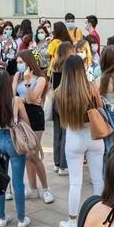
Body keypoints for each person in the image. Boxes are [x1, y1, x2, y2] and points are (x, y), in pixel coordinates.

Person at [56, 55, 106, 227]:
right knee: (97, 178)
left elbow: (60, 115)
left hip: (73, 135)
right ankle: (99, 217)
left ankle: (72, 220)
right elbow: (100, 107)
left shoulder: (60, 91)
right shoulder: (91, 87)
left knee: (75, 182)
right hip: (94, 134)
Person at [0, 71, 32, 227]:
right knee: (18, 182)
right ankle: (21, 219)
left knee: (1, 180)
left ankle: (1, 217)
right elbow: (26, 120)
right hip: (13, 141)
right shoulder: (16, 101)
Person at [14, 50, 52, 203]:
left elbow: (32, 99)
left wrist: (29, 82)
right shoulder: (17, 77)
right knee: (26, 155)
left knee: (34, 154)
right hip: (22, 117)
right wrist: (22, 98)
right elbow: (14, 96)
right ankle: (33, 188)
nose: (19, 65)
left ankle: (46, 188)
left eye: (21, 62)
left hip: (35, 117)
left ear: (29, 63)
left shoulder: (40, 79)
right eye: (17, 62)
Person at [49, 40, 76, 174]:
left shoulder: (55, 64)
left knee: (57, 134)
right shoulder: (69, 65)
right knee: (66, 134)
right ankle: (64, 166)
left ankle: (57, 162)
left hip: (56, 100)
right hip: (66, 100)